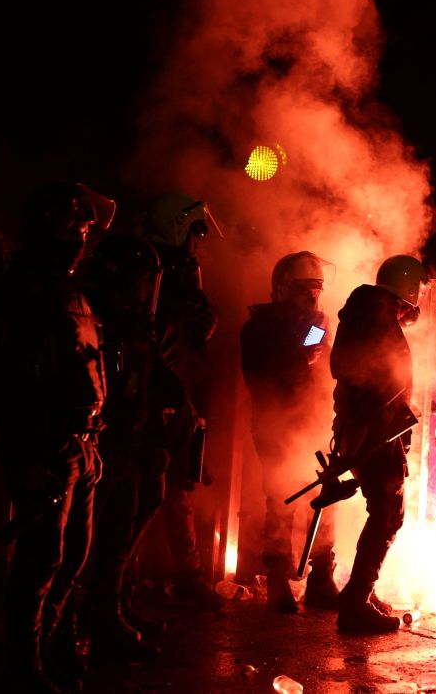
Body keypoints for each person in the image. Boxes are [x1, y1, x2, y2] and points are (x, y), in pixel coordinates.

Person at [0, 182, 114, 694]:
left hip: (83, 443)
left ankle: (52, 647)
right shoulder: (22, 291)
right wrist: (31, 451)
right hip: (47, 444)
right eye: (74, 226)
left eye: (85, 229)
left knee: (74, 556)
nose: (82, 237)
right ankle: (24, 664)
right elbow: (15, 377)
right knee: (41, 559)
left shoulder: (74, 292)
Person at [81, 234, 188, 664]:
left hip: (133, 441)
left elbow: (154, 374)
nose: (148, 290)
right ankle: (82, 624)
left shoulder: (134, 320)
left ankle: (112, 611)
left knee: (120, 538)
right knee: (86, 546)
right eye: (143, 281)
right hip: (107, 444)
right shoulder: (98, 318)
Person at [329, 255, 427, 633]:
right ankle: (355, 604)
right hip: (376, 434)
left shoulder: (366, 314)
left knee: (383, 511)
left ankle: (358, 593)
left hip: (368, 430)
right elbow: (379, 381)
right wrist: (382, 425)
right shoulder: (377, 320)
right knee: (388, 513)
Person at [240, 251, 339, 613]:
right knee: (282, 499)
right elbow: (264, 379)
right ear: (285, 288)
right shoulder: (258, 329)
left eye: (317, 288)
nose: (313, 296)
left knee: (327, 500)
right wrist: (304, 357)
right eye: (305, 289)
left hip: (312, 422)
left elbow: (322, 363)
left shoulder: (312, 324)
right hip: (277, 426)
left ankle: (321, 578)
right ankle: (278, 581)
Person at [139, 192, 221, 608]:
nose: (199, 240)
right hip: (166, 397)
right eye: (196, 229)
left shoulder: (177, 271)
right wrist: (176, 395)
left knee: (170, 488)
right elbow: (167, 339)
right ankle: (185, 578)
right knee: (164, 490)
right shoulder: (157, 271)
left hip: (178, 394)